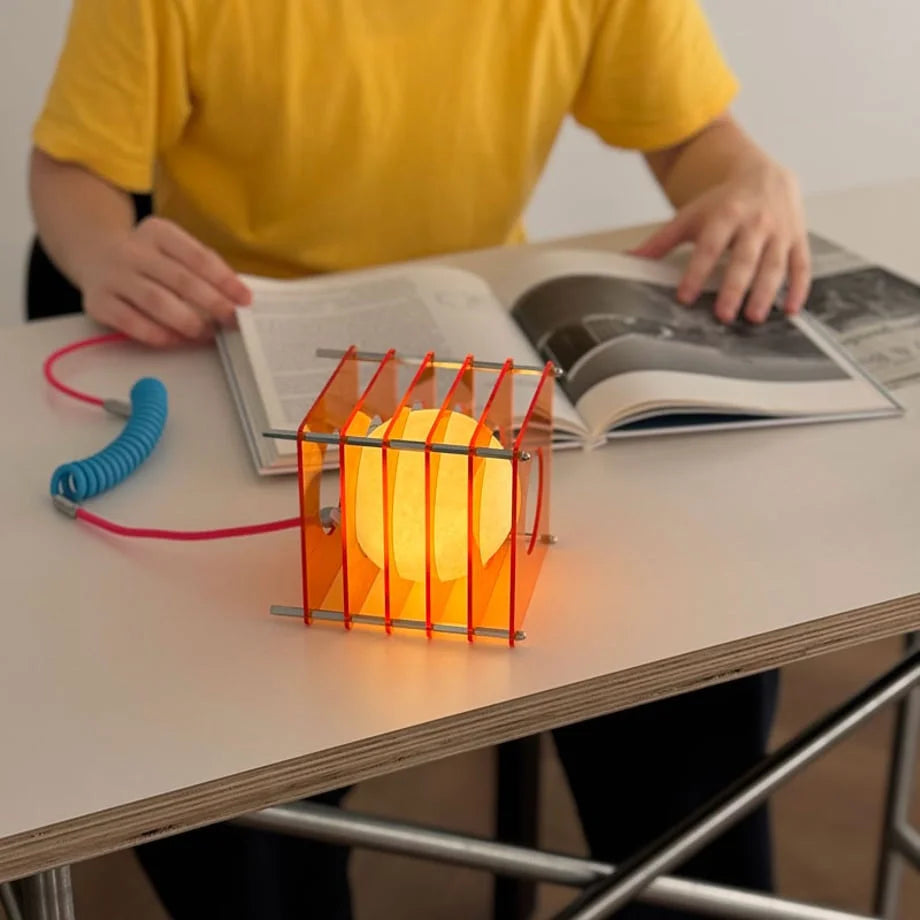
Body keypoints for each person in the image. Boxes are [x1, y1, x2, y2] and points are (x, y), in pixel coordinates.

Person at [28, 2, 806, 917]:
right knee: (221, 758)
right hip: (232, 356)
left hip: (492, 363)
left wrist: (750, 175)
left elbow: (691, 137)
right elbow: (73, 167)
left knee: (692, 679)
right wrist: (102, 252)